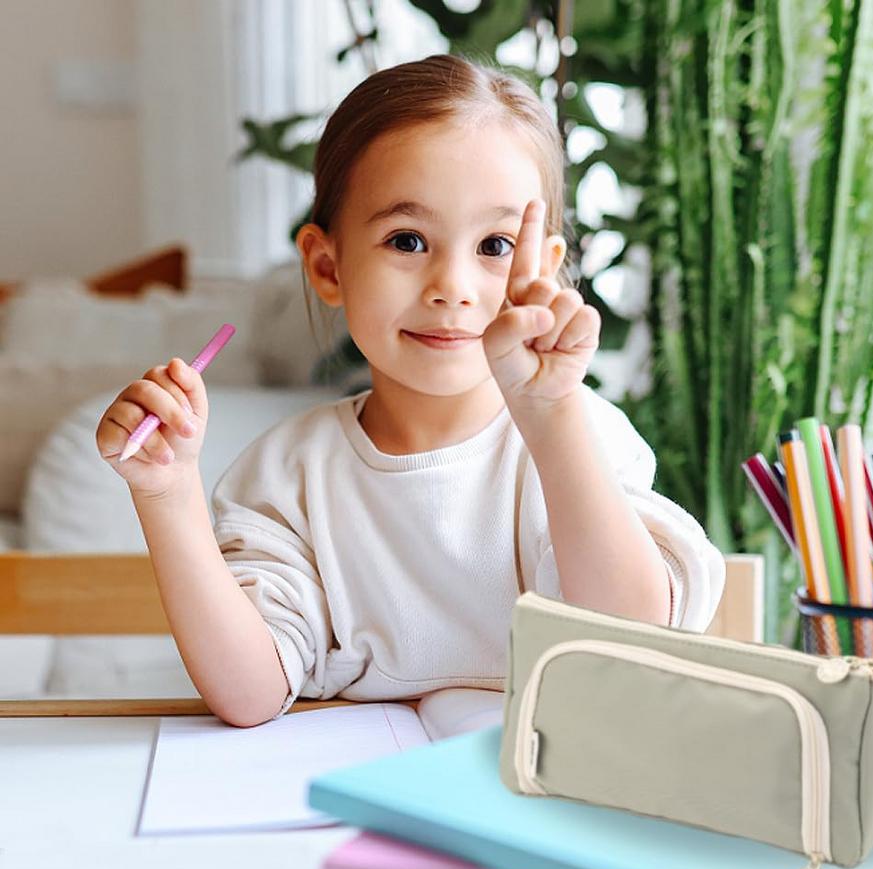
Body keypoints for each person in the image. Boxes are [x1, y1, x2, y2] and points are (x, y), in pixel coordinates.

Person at [96, 54, 724, 728]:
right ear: (327, 266)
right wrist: (167, 497)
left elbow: (631, 641)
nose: (451, 285)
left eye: (494, 246)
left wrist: (551, 417)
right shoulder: (286, 478)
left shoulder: (583, 435)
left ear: (544, 269)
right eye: (407, 239)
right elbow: (249, 694)